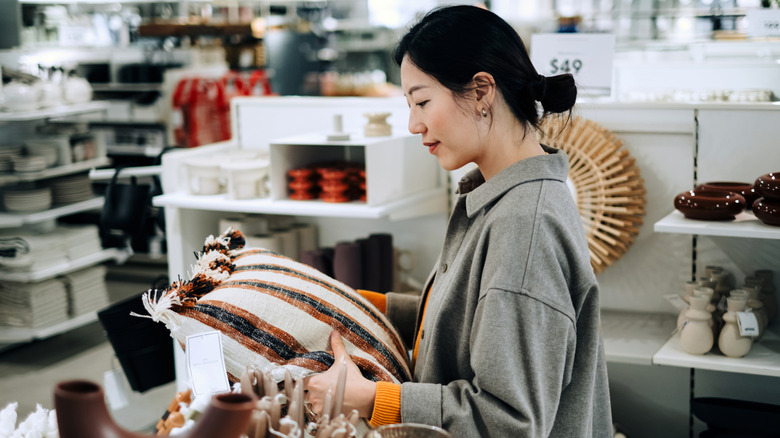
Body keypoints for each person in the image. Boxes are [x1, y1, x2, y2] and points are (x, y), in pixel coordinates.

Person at [306, 5, 613, 437]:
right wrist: (359, 305)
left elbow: (508, 423)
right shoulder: (500, 196)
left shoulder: (524, 225)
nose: (414, 123)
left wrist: (373, 400)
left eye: (423, 101)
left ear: (481, 92)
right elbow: (473, 320)